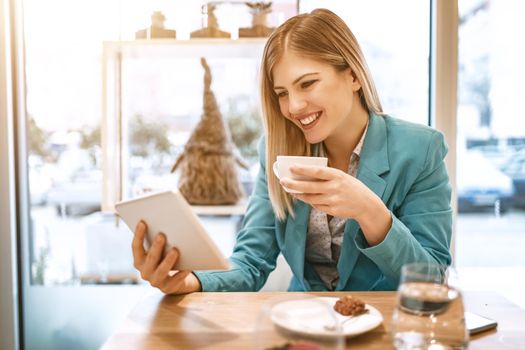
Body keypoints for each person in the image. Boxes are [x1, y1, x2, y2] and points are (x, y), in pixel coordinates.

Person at [131, 8, 452, 294]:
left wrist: (371, 211)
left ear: (353, 75)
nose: (294, 106)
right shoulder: (276, 152)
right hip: (302, 327)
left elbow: (432, 280)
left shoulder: (420, 150)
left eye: (308, 83)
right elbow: (251, 262)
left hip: (385, 331)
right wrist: (191, 281)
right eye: (282, 93)